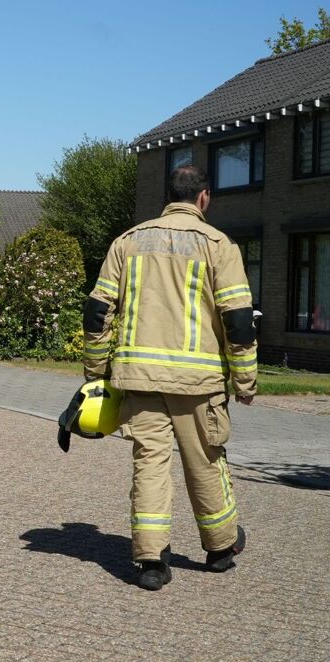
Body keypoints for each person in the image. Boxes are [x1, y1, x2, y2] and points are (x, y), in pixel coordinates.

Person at [83, 165, 255, 591]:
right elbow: (237, 320)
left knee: (150, 465)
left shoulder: (128, 242)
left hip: (139, 379)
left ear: (168, 197)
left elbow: (96, 313)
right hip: (198, 384)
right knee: (206, 462)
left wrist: (96, 371)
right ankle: (219, 548)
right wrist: (245, 380)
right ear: (203, 198)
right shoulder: (219, 246)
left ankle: (151, 561)